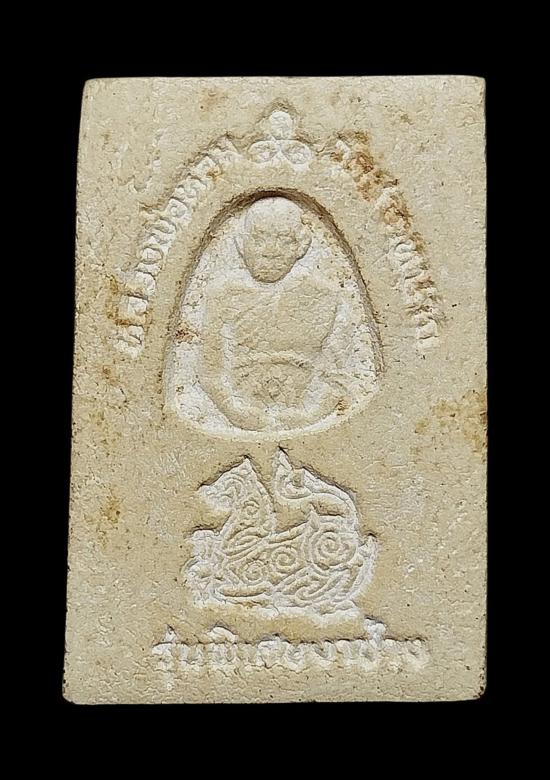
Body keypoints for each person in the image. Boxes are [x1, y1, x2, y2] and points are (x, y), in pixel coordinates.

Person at [199, 197, 351, 432]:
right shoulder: (223, 295)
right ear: (241, 243)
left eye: (284, 240)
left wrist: (310, 416)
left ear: (301, 245)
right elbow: (210, 371)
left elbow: (338, 376)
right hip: (239, 414)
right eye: (259, 239)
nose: (271, 251)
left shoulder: (326, 296)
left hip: (305, 418)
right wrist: (233, 410)